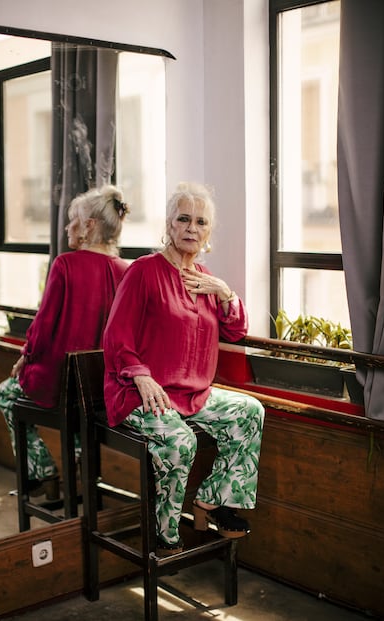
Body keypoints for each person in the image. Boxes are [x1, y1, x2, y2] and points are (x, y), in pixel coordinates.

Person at [103, 181, 265, 556]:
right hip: (143, 393)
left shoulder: (205, 279)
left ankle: (211, 500)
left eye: (201, 222)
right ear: (169, 225)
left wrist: (224, 291)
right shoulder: (144, 271)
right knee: (180, 441)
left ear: (209, 232)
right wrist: (140, 375)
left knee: (249, 412)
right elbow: (116, 336)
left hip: (194, 394)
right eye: (184, 219)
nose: (192, 228)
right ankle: (165, 535)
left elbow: (236, 331)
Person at [0, 184, 130, 500]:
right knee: (80, 415)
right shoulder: (126, 270)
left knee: (6, 394)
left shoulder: (66, 264)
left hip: (63, 385)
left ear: (90, 226)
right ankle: (81, 470)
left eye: (73, 220)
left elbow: (42, 327)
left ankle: (45, 474)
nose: (68, 227)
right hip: (101, 390)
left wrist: (26, 356)